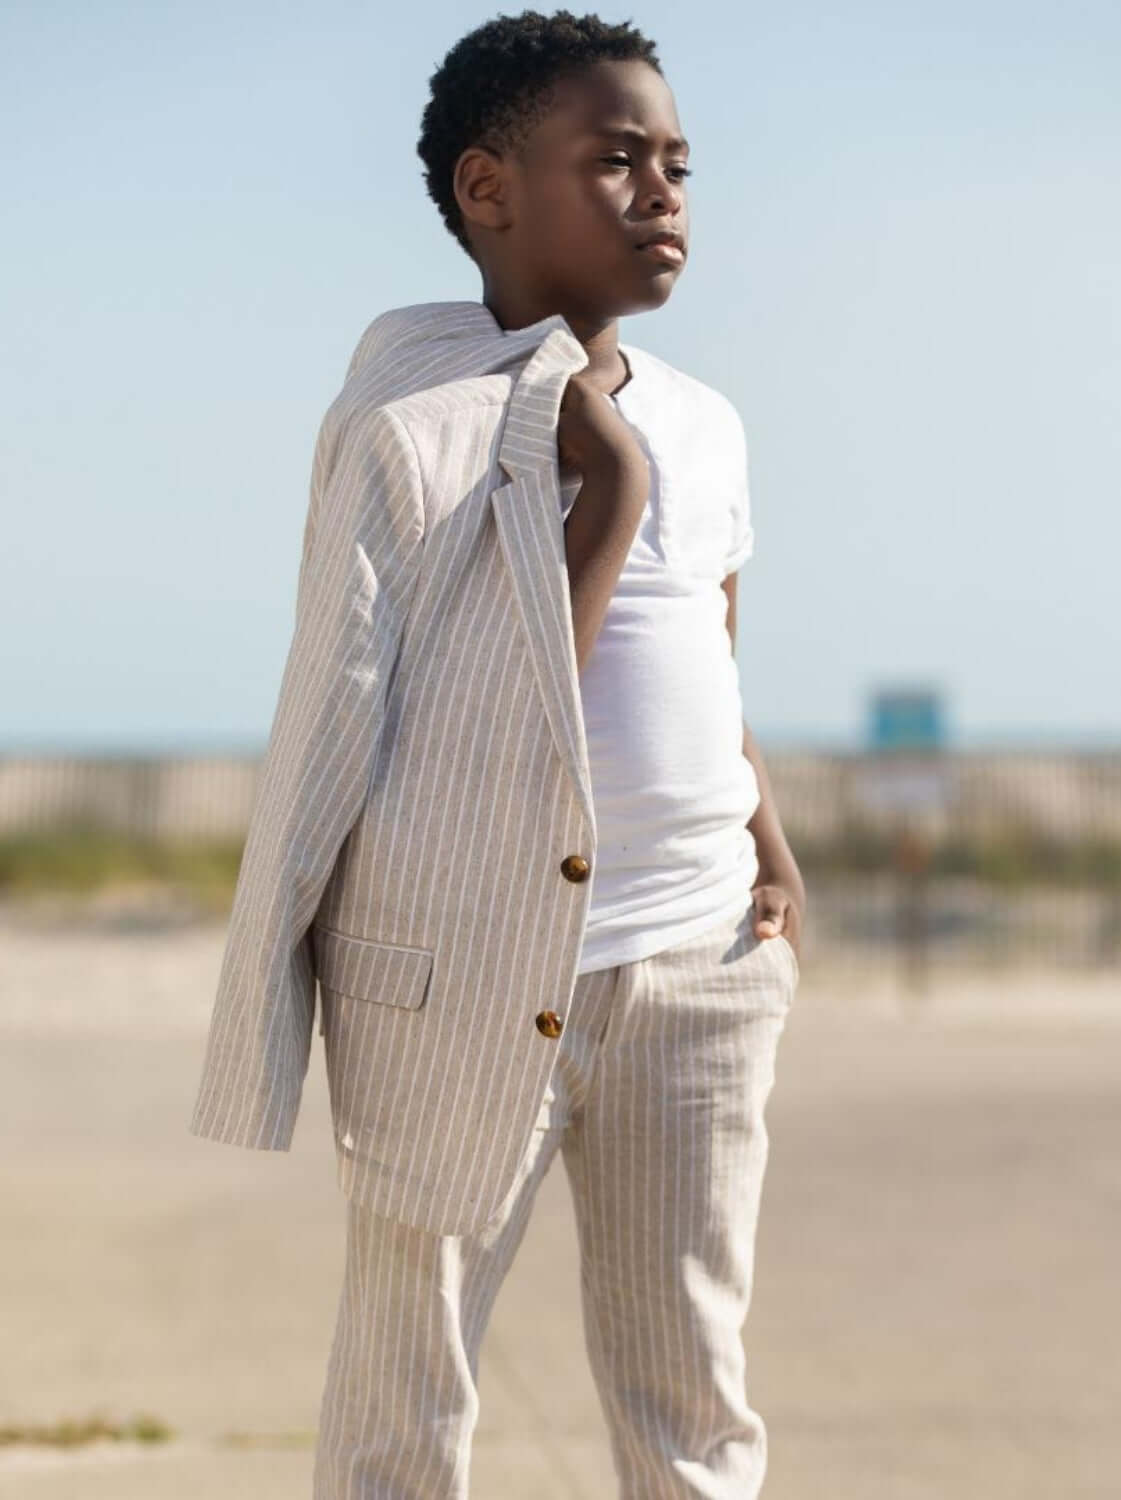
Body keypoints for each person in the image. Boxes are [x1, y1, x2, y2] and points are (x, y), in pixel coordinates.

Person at [189, 9, 806, 1497]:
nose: (662, 194)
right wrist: (608, 490)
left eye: (678, 164)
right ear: (489, 190)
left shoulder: (710, 424)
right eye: (615, 161)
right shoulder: (414, 422)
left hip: (700, 961)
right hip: (465, 969)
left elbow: (711, 654)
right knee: (410, 1387)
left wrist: (770, 852)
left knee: (693, 1384)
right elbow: (383, 710)